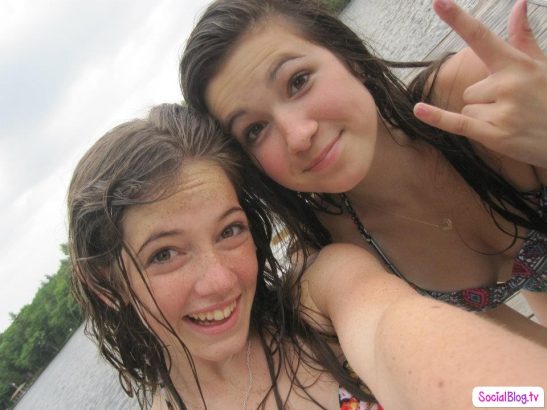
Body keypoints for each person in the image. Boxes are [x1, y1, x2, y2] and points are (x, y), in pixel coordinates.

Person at [68, 103, 547, 410]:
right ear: (107, 285)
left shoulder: (326, 299)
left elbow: (465, 378)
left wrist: (522, 396)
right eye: (165, 254)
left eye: (230, 230)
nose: (220, 281)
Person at [179, 0, 547, 334]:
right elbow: (514, 362)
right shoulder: (341, 250)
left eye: (298, 81)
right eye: (255, 130)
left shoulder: (470, 97)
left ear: (347, 57)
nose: (298, 136)